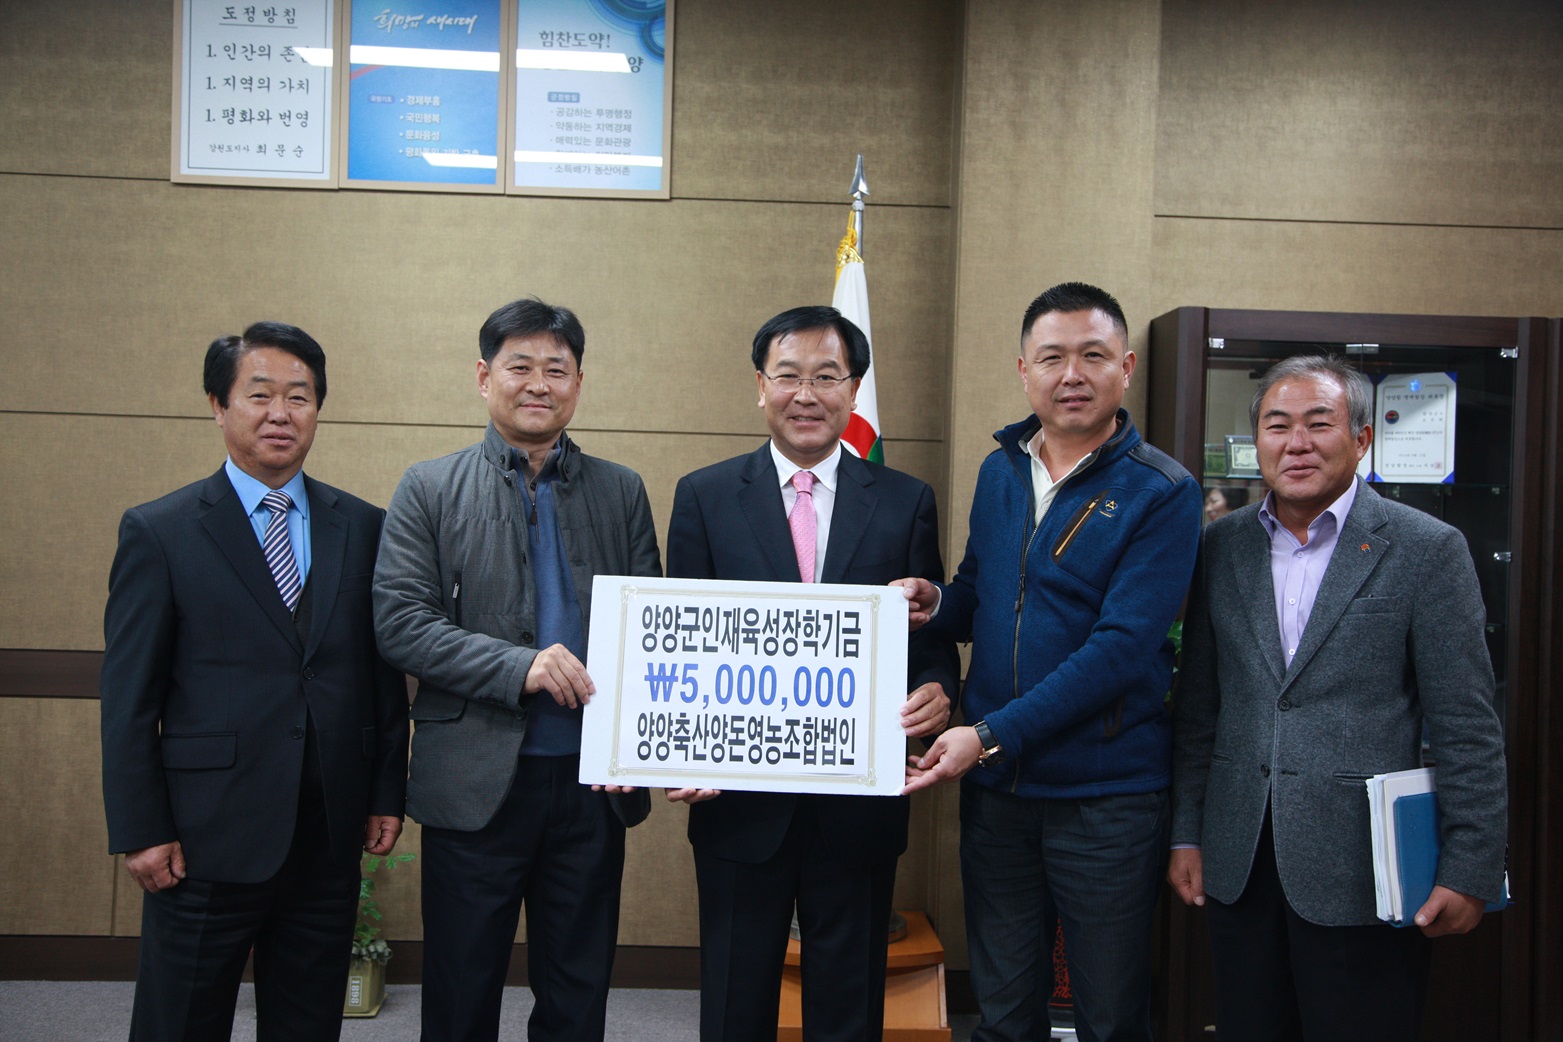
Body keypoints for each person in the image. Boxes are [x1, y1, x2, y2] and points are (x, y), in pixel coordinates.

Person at [1168, 355, 1508, 1041]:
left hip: (1366, 870)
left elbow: (1465, 723)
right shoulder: (1219, 547)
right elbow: (1199, 708)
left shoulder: (1425, 548)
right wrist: (1186, 830)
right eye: (1277, 425)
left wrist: (1469, 865)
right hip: (1239, 860)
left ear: (1359, 438)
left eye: (1317, 424)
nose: (1296, 443)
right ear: (1257, 439)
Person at [898, 282, 1202, 1042]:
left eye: (1092, 355)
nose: (1072, 373)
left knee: (1106, 1013)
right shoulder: (1002, 468)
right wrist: (937, 601)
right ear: (1023, 371)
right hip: (999, 794)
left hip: (1106, 797)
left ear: (1124, 367)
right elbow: (986, 589)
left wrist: (988, 732)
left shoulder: (1162, 492)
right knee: (1004, 1008)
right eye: (1052, 357)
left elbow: (1120, 650)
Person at [100, 322, 410, 1042]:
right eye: (260, 394)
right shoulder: (161, 530)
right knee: (180, 1021)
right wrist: (142, 828)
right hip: (204, 836)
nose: (281, 413)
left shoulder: (363, 527)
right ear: (218, 404)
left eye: (299, 397)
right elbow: (129, 698)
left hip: (327, 833)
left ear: (317, 410)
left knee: (307, 1022)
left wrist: (385, 792)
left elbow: (380, 674)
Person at [664, 305, 960, 1042]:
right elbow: (680, 650)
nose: (806, 394)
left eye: (826, 376)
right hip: (738, 798)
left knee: (847, 1001)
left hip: (855, 802)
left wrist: (938, 690)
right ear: (759, 387)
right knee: (735, 998)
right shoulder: (702, 497)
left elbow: (924, 633)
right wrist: (677, 749)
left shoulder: (903, 501)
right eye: (788, 375)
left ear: (852, 390)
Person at [372, 297, 659, 1042]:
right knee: (462, 988)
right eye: (519, 366)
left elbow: (649, 634)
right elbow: (400, 623)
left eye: (555, 369)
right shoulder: (427, 488)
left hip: (593, 785)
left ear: (578, 382)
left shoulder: (621, 489)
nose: (538, 383)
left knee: (577, 989)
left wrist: (641, 742)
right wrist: (520, 666)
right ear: (483, 376)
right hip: (475, 786)